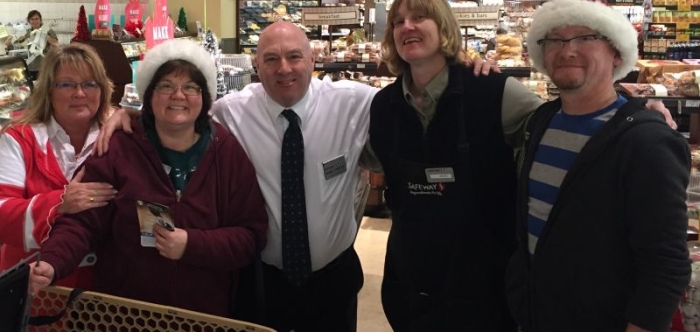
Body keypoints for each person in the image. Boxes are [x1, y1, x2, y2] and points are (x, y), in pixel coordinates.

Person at [95, 19, 498, 330]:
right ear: (256, 65)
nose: (283, 69)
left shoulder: (356, 103)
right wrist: (127, 115)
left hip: (333, 279)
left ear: (313, 60)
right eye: (270, 59)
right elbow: (177, 114)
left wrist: (463, 69)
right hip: (260, 279)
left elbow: (421, 91)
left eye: (294, 57)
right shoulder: (230, 112)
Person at [28, 39, 269, 317]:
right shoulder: (119, 147)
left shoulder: (226, 153)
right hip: (127, 314)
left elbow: (250, 236)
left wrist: (192, 245)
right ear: (149, 95)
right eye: (165, 86)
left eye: (191, 87)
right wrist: (52, 262)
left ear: (204, 97)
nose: (178, 95)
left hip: (203, 316)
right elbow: (84, 221)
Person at [505, 0, 691, 332]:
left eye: (585, 37)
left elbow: (665, 264)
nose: (568, 50)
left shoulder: (646, 142)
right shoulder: (541, 121)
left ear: (617, 53)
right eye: (554, 40)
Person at [368, 0, 544, 331]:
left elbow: (560, 121)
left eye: (420, 17)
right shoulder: (384, 106)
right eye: (398, 22)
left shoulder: (494, 92)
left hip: (485, 290)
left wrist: (635, 111)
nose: (407, 27)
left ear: (445, 27)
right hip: (411, 286)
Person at [0, 43, 115, 289]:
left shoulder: (116, 137)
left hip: (100, 289)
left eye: (89, 83)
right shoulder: (18, 138)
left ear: (102, 90)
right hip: (33, 283)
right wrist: (59, 203)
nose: (79, 93)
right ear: (48, 91)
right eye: (66, 84)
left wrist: (131, 115)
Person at [5, 10, 59, 80]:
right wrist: (14, 38)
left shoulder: (48, 31)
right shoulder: (28, 32)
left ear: (40, 20)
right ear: (29, 21)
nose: (35, 21)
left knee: (43, 88)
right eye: (32, 19)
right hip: (31, 66)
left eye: (37, 19)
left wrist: (45, 36)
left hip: (44, 67)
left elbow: (56, 44)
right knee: (33, 87)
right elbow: (11, 42)